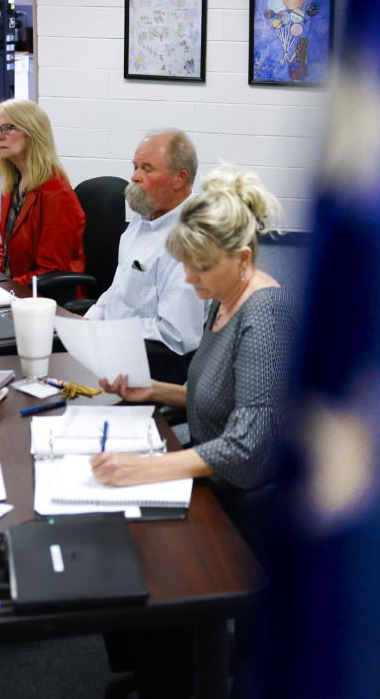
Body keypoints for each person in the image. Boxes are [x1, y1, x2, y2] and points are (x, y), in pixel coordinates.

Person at [93, 166, 294, 699]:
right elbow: (213, 395)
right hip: (214, 470)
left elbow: (250, 440)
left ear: (244, 259)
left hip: (245, 494)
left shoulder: (264, 315)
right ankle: (153, 667)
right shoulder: (224, 300)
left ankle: (177, 677)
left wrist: (151, 467)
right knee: (119, 527)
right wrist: (155, 392)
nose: (189, 280)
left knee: (147, 546)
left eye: (200, 268)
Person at [84, 129, 205, 382]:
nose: (134, 177)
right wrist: (89, 320)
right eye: (135, 167)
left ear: (179, 178)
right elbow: (118, 290)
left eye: (147, 169)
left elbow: (176, 336)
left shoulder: (188, 240)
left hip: (149, 363)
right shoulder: (143, 219)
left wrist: (108, 332)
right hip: (114, 343)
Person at [0, 99, 86, 288]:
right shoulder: (14, 182)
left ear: (33, 133)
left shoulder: (56, 193)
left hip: (44, 300)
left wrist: (4, 288)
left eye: (8, 128)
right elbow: (5, 250)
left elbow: (51, 271)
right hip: (17, 289)